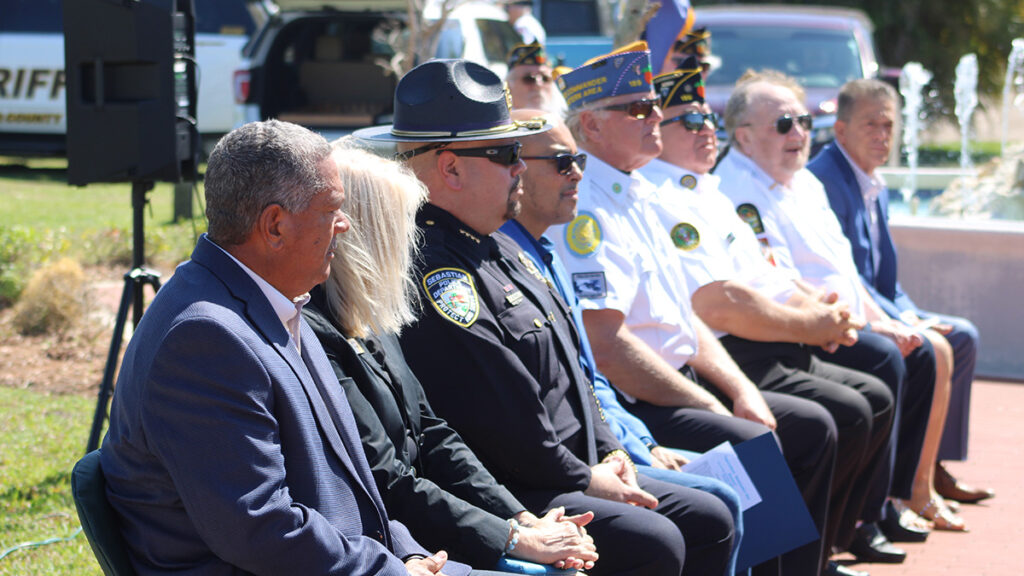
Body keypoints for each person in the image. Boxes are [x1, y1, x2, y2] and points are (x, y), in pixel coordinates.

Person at [357, 57, 735, 576]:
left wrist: (608, 449)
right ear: (449, 168)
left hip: (574, 465)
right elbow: (506, 411)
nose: (520, 167)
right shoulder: (438, 270)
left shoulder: (502, 246)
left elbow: (578, 371)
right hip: (523, 483)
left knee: (714, 510)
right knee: (663, 537)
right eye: (506, 153)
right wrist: (586, 474)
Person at [99, 120, 470, 575]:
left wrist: (405, 550)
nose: (346, 224)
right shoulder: (205, 339)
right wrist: (391, 570)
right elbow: (260, 528)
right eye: (332, 208)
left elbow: (345, 483)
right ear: (275, 225)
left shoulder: (270, 300)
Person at [547, 42, 841, 576]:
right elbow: (609, 347)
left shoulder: (639, 196)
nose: (655, 115)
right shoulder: (586, 208)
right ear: (590, 127)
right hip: (638, 402)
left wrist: (739, 390)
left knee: (785, 426)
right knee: (752, 442)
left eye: (653, 106)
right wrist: (710, 405)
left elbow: (685, 317)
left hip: (677, 379)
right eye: (637, 109)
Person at [643, 60, 940, 565]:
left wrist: (820, 315)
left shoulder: (707, 193)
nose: (706, 132)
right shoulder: (664, 198)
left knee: (870, 396)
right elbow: (721, 304)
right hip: (716, 356)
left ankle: (824, 549)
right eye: (692, 122)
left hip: (746, 345)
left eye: (708, 121)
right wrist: (811, 323)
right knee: (830, 419)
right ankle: (803, 558)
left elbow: (772, 272)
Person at [302, 142, 600, 572]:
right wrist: (514, 538)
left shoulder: (372, 315)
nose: (412, 240)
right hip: (398, 539)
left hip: (437, 517)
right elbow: (386, 477)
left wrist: (521, 518)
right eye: (402, 225)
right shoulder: (317, 328)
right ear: (368, 234)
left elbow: (433, 433)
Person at [500, 109, 747, 576]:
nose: (577, 172)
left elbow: (587, 377)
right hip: (567, 462)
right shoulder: (513, 254)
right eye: (561, 162)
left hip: (610, 435)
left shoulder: (543, 250)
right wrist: (615, 457)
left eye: (577, 160)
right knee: (711, 507)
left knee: (733, 488)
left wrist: (634, 445)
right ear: (516, 168)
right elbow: (590, 366)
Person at [807, 78, 994, 524]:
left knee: (962, 335)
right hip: (845, 313)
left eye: (889, 126)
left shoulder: (873, 181)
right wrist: (902, 322)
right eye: (871, 124)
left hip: (880, 305)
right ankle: (906, 490)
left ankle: (933, 467)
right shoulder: (825, 180)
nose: (882, 136)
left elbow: (886, 281)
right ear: (841, 130)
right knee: (927, 347)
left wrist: (908, 313)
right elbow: (848, 278)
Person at [506, 42, 564, 115]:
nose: (539, 85)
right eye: (529, 79)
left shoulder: (567, 123)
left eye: (545, 78)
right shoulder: (496, 124)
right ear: (508, 87)